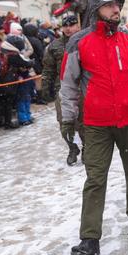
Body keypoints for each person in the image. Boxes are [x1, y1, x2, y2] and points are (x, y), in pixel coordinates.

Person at [60, 0, 128, 255]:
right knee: (95, 178)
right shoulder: (79, 42)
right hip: (96, 123)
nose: (116, 10)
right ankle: (90, 237)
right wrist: (68, 120)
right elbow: (69, 85)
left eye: (118, 5)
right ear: (96, 10)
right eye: (110, 6)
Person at [42, 15, 85, 165]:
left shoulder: (85, 41)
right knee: (64, 122)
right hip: (62, 89)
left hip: (84, 89)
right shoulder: (55, 46)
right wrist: (45, 88)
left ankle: (86, 148)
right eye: (65, 25)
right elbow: (48, 69)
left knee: (84, 122)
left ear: (78, 26)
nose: (68, 28)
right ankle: (72, 148)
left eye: (72, 25)